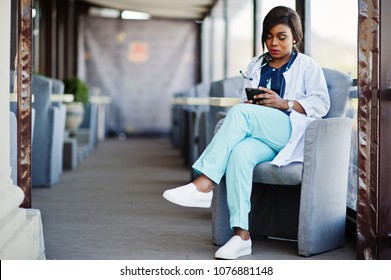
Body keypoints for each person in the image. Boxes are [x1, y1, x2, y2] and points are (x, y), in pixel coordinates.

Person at [163, 6, 330, 260]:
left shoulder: (308, 66)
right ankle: (241, 237)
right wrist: (251, 105)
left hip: (289, 132)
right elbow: (245, 100)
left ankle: (204, 182)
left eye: (282, 37)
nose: (273, 43)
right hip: (261, 135)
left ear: (295, 36)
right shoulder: (256, 64)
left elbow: (322, 104)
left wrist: (284, 103)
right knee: (240, 153)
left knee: (238, 114)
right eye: (269, 36)